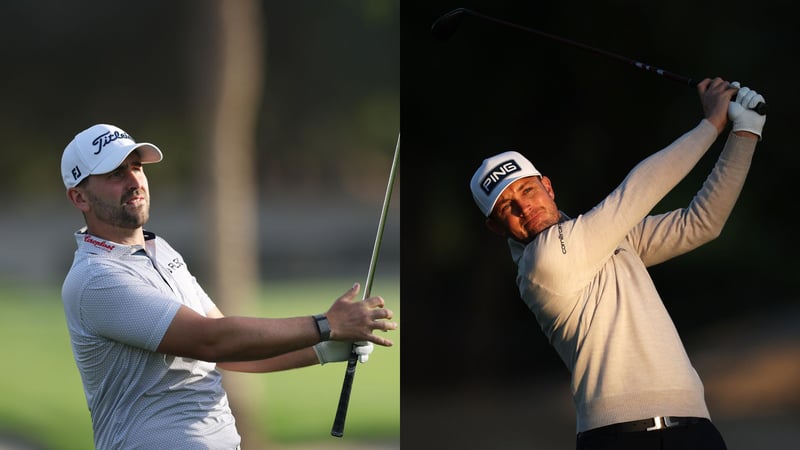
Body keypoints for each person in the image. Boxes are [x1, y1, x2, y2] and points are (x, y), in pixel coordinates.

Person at [469, 77, 766, 450]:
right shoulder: (541, 262)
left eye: (527, 190)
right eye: (506, 208)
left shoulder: (605, 239)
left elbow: (700, 223)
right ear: (496, 228)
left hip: (695, 429)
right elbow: (635, 192)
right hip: (617, 437)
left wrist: (746, 133)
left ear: (548, 186)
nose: (524, 207)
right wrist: (711, 124)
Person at [60, 123, 398, 449]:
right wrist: (324, 325)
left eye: (137, 168)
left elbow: (231, 354)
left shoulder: (159, 250)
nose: (135, 181)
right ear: (79, 198)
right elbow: (211, 340)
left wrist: (321, 348)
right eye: (116, 174)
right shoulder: (96, 279)